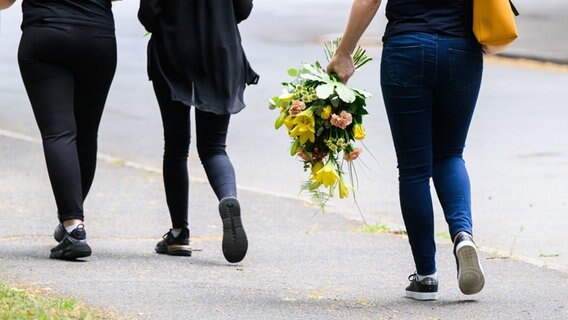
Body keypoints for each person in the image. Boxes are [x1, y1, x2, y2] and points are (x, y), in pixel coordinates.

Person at [327, 0, 485, 300]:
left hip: (406, 49)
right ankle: (463, 235)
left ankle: (426, 276)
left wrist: (344, 51)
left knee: (414, 170)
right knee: (450, 153)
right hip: (461, 49)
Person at [138, 0, 258, 263]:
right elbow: (243, 8)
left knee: (176, 146)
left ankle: (179, 233)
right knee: (214, 147)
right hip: (221, 48)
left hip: (173, 48)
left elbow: (149, 10)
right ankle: (228, 197)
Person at [0, 0, 118, 260]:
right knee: (86, 134)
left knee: (59, 133)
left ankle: (73, 225)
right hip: (97, 36)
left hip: (46, 34)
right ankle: (73, 222)